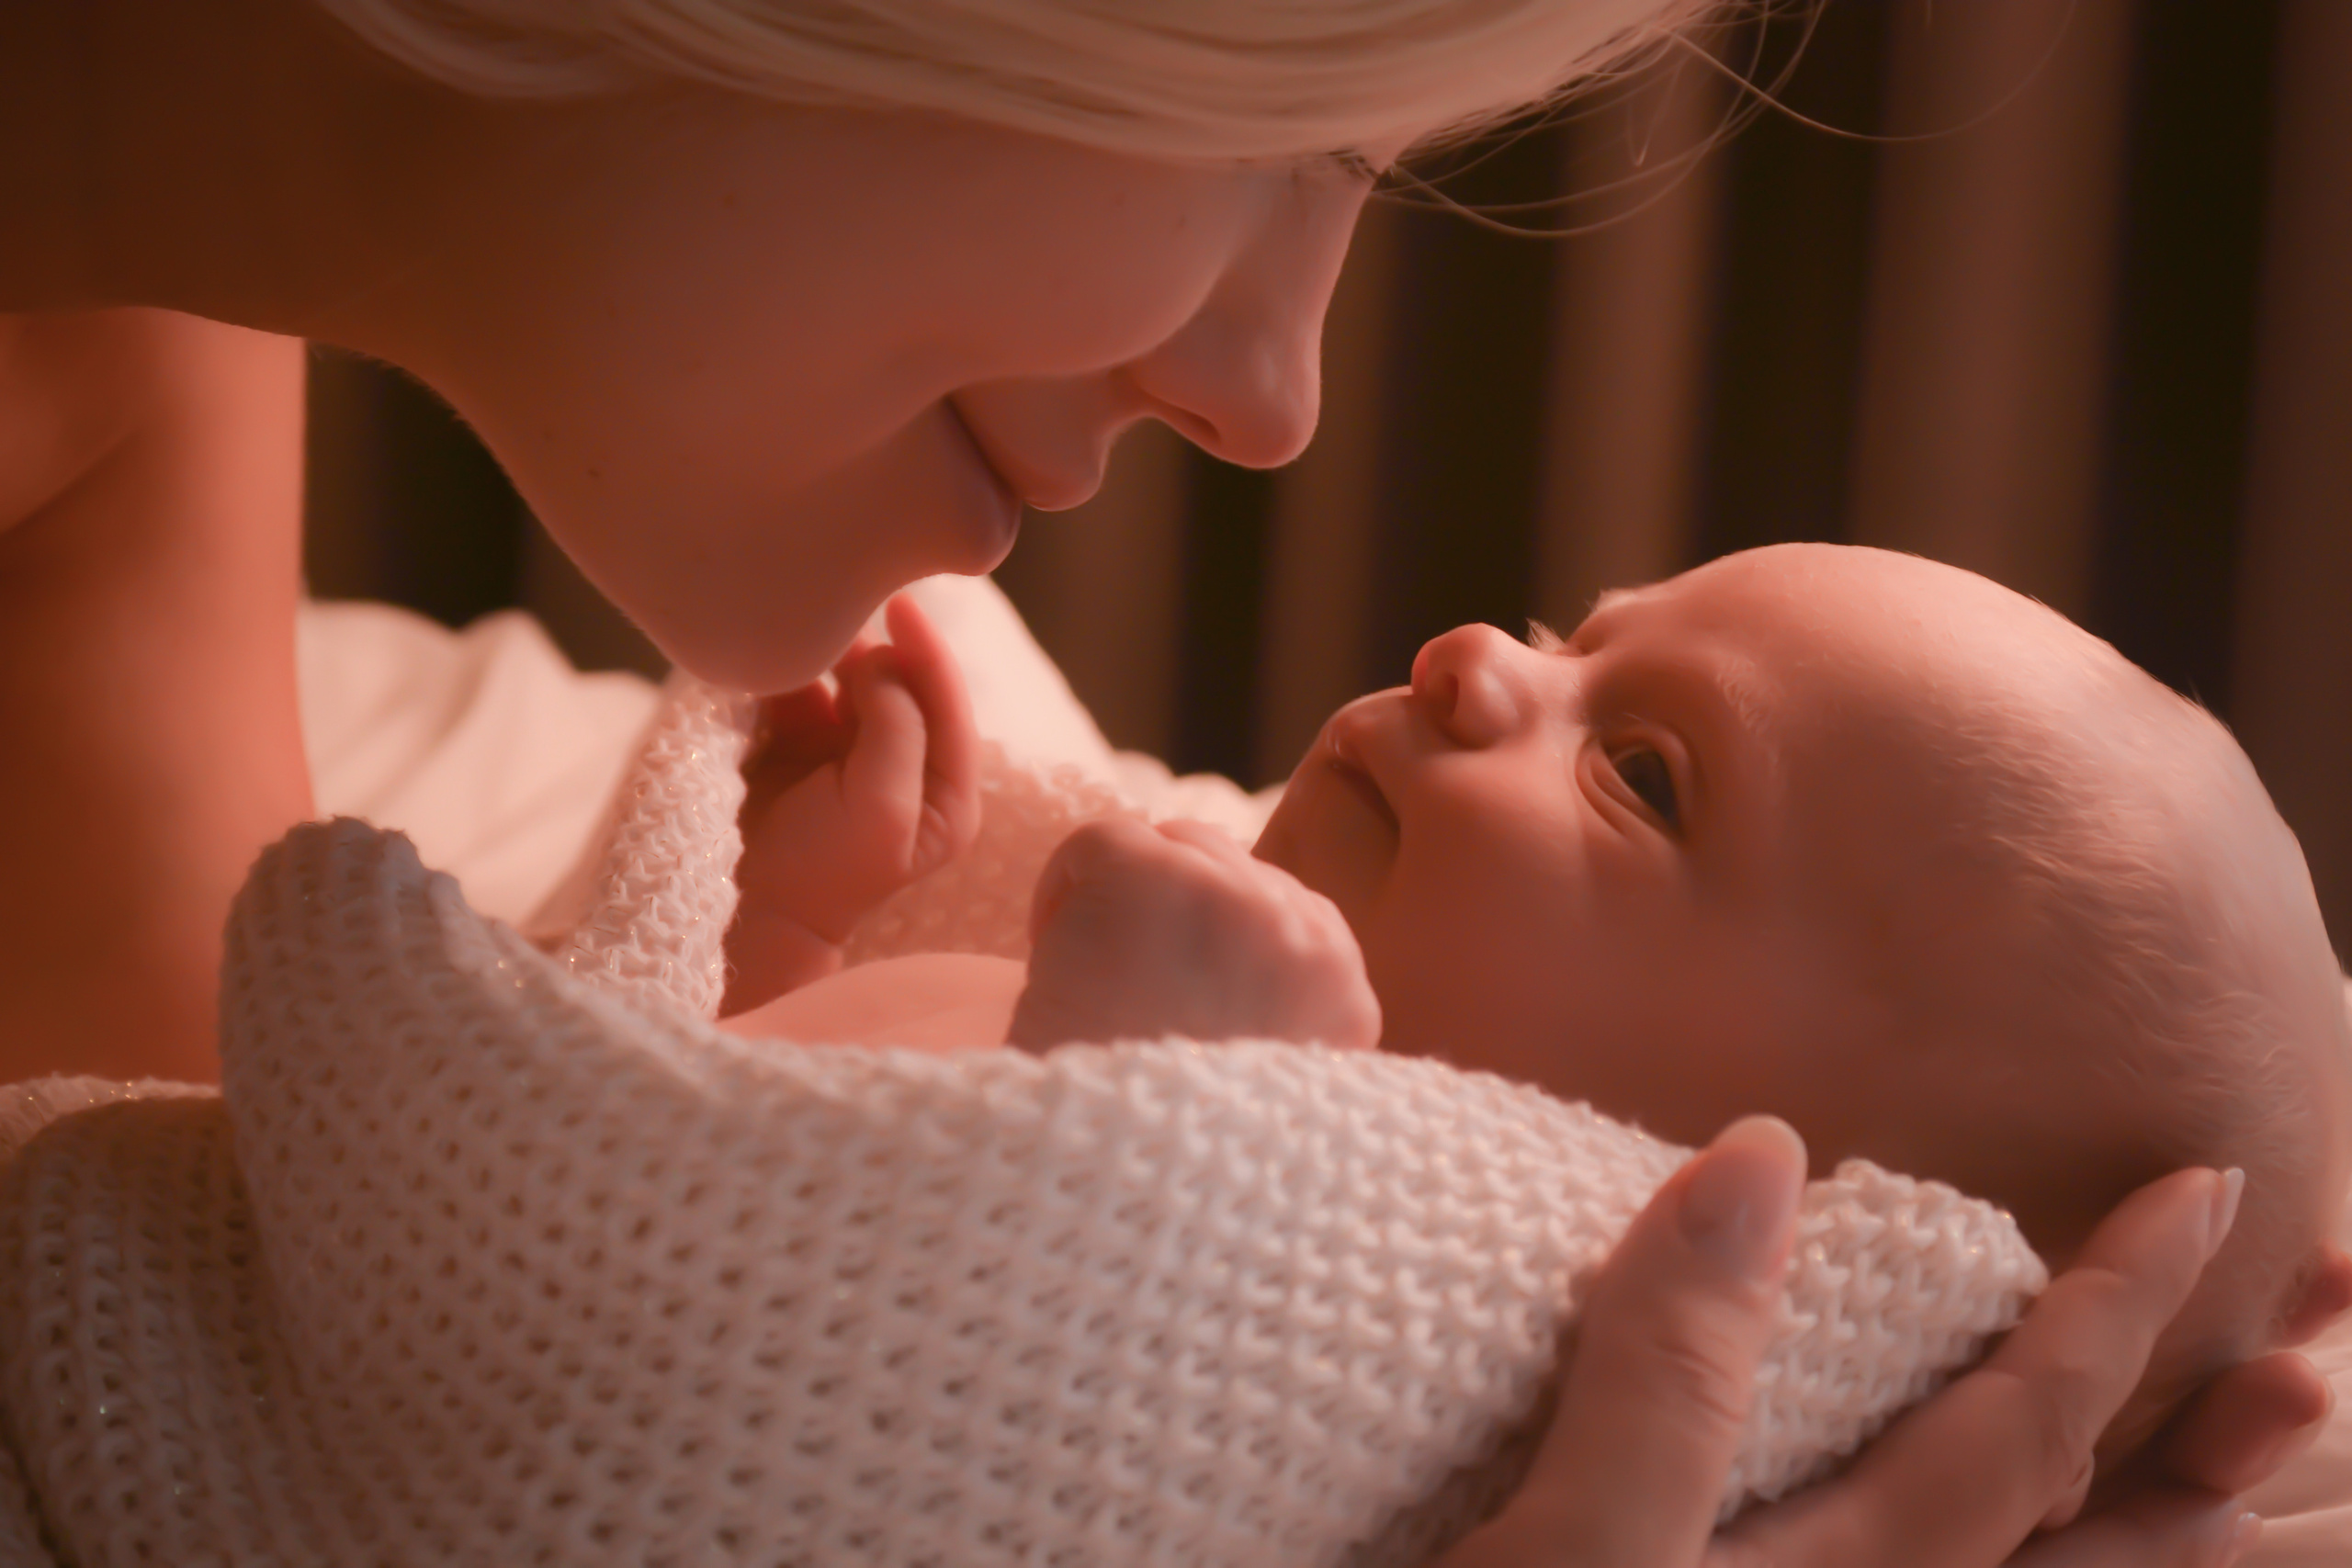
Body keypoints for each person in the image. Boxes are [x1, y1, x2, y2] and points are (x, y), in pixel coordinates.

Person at [0, 0, 2327, 1560]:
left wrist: (757, 952)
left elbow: (254, 1297)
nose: (1274, 397)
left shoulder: (131, 363)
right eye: (1286, 132)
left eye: (1641, 767)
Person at [722, 544, 2352, 1493]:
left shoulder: (1350, 1381)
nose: (1471, 656)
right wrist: (776, 926)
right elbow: (674, 1191)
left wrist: (1142, 1131)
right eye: (1578, 643)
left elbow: (877, 1453)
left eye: (1640, 773)